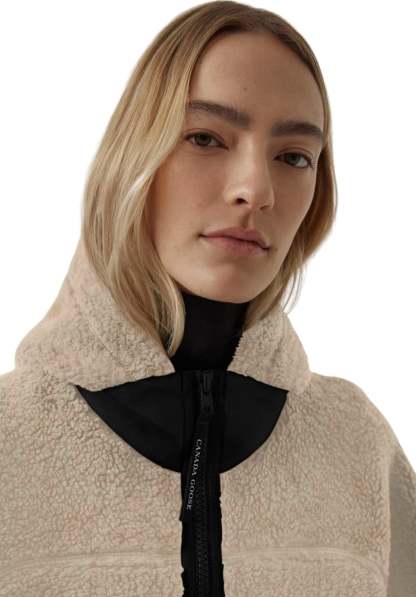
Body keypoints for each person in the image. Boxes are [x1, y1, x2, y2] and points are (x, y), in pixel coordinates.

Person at [1, 2, 415, 595]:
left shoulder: (355, 445)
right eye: (205, 138)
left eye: (294, 156)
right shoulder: (9, 442)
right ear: (131, 156)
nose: (256, 189)